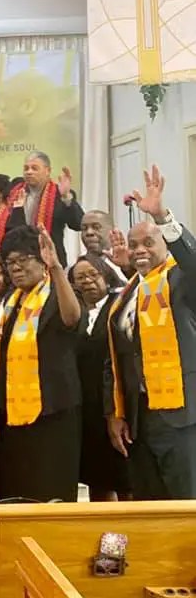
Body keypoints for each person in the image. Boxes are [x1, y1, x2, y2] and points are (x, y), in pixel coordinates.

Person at [105, 166, 196, 500]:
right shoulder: (129, 293)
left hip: (185, 417)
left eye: (148, 242)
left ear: (165, 242)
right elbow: (113, 359)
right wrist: (114, 413)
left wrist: (162, 216)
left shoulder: (182, 282)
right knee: (150, 506)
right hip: (140, 419)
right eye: (133, 245)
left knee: (188, 505)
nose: (139, 249)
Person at [0, 225, 82, 502]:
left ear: (41, 260)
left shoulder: (57, 292)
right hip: (13, 411)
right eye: (10, 263)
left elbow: (72, 319)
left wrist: (57, 269)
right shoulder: (11, 300)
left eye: (22, 261)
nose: (15, 269)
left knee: (49, 493)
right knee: (17, 491)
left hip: (52, 411)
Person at [68, 255, 130, 501]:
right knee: (97, 478)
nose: (87, 282)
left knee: (124, 478)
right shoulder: (77, 313)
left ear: (106, 276)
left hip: (115, 403)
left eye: (93, 275)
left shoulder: (119, 304)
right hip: (87, 407)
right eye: (80, 277)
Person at [81, 209, 128, 281]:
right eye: (84, 228)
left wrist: (127, 268)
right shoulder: (77, 266)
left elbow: (146, 289)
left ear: (112, 231)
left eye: (96, 227)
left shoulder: (128, 263)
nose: (89, 232)